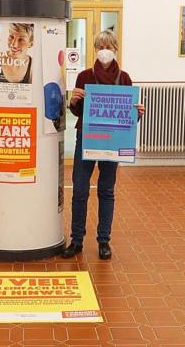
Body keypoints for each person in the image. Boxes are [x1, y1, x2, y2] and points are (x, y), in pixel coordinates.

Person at [61, 30, 145, 260]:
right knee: (79, 189)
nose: (104, 50)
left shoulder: (125, 79)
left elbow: (128, 118)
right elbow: (77, 111)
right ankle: (76, 239)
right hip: (87, 138)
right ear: (95, 50)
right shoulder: (84, 76)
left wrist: (137, 113)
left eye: (108, 46)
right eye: (100, 47)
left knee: (106, 191)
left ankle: (103, 241)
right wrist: (74, 101)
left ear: (115, 49)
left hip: (114, 141)